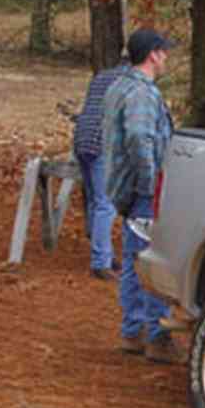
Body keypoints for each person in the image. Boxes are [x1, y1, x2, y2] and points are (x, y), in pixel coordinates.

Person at [102, 28, 181, 363]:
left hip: (126, 188)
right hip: (143, 192)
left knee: (135, 262)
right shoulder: (142, 94)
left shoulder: (118, 86)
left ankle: (132, 332)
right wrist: (150, 185)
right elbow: (138, 138)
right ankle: (156, 337)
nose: (166, 59)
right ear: (153, 54)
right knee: (149, 262)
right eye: (164, 53)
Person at [72, 56, 130, 280]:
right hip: (102, 144)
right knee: (106, 204)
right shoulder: (130, 82)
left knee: (95, 201)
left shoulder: (101, 77)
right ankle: (100, 263)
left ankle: (103, 253)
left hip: (82, 140)